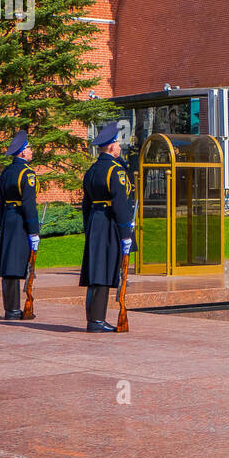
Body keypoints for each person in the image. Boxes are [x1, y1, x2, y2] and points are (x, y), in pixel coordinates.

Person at [79, 122, 134, 332]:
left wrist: (88, 226)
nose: (120, 147)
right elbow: (120, 204)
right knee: (101, 271)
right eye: (118, 143)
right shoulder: (115, 170)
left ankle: (94, 318)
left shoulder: (92, 170)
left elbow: (86, 204)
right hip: (110, 222)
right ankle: (97, 321)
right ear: (111, 146)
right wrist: (126, 233)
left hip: (95, 221)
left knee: (95, 271)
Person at [0, 129, 40, 319]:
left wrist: (4, 223)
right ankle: (13, 310)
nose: (31, 151)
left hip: (9, 219)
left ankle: (11, 308)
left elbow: (2, 202)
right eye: (29, 148)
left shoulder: (6, 172)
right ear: (22, 152)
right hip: (21, 221)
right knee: (16, 267)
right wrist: (34, 231)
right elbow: (29, 205)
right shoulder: (27, 173)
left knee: (9, 267)